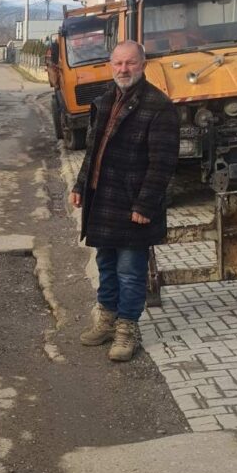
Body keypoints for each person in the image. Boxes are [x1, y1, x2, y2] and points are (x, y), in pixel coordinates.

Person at [70, 40, 179, 362]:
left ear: (143, 65)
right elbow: (93, 151)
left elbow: (163, 164)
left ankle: (127, 329)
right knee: (106, 265)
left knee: (130, 271)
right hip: (103, 199)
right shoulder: (105, 100)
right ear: (111, 65)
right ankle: (106, 320)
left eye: (130, 63)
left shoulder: (158, 106)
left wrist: (145, 205)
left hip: (133, 203)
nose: (123, 69)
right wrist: (80, 184)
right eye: (118, 63)